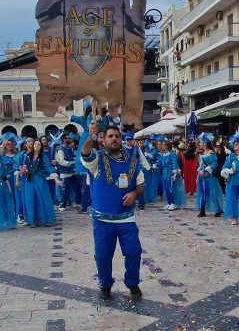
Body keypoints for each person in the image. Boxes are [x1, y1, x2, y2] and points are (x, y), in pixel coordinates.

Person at [80, 123, 145, 301]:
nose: (114, 139)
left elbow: (141, 184)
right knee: (103, 256)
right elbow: (85, 153)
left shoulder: (132, 159)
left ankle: (132, 282)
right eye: (110, 136)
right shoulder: (97, 159)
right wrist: (90, 137)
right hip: (102, 221)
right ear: (103, 140)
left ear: (121, 139)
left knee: (134, 252)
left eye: (117, 136)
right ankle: (105, 285)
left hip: (126, 219)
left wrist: (134, 193)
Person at [16, 138, 60, 227]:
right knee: (31, 199)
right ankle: (33, 220)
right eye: (35, 144)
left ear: (41, 146)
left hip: (40, 179)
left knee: (42, 198)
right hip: (30, 180)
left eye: (38, 144)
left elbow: (48, 166)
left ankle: (45, 219)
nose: (36, 145)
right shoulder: (27, 156)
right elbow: (23, 166)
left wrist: (55, 177)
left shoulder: (43, 156)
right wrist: (23, 170)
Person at [195, 134, 224, 217]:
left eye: (201, 142)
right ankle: (202, 210)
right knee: (202, 193)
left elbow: (214, 164)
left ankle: (218, 209)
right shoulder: (204, 153)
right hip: (202, 176)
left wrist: (205, 169)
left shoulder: (212, 154)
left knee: (212, 193)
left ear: (205, 143)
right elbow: (200, 166)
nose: (200, 144)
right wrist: (197, 177)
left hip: (210, 176)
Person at [157, 139, 187, 210]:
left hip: (170, 173)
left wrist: (175, 174)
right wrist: (154, 165)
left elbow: (175, 163)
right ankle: (169, 202)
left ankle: (173, 203)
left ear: (167, 146)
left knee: (170, 188)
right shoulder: (164, 154)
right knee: (166, 189)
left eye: (163, 145)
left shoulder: (172, 154)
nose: (162, 146)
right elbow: (160, 162)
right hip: (165, 173)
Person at [54, 133, 81, 211]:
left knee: (77, 187)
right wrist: (72, 162)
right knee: (65, 190)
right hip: (65, 172)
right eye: (67, 138)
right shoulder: (61, 149)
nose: (69, 140)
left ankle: (77, 202)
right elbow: (61, 161)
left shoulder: (70, 148)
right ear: (64, 139)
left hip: (72, 171)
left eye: (69, 138)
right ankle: (62, 205)